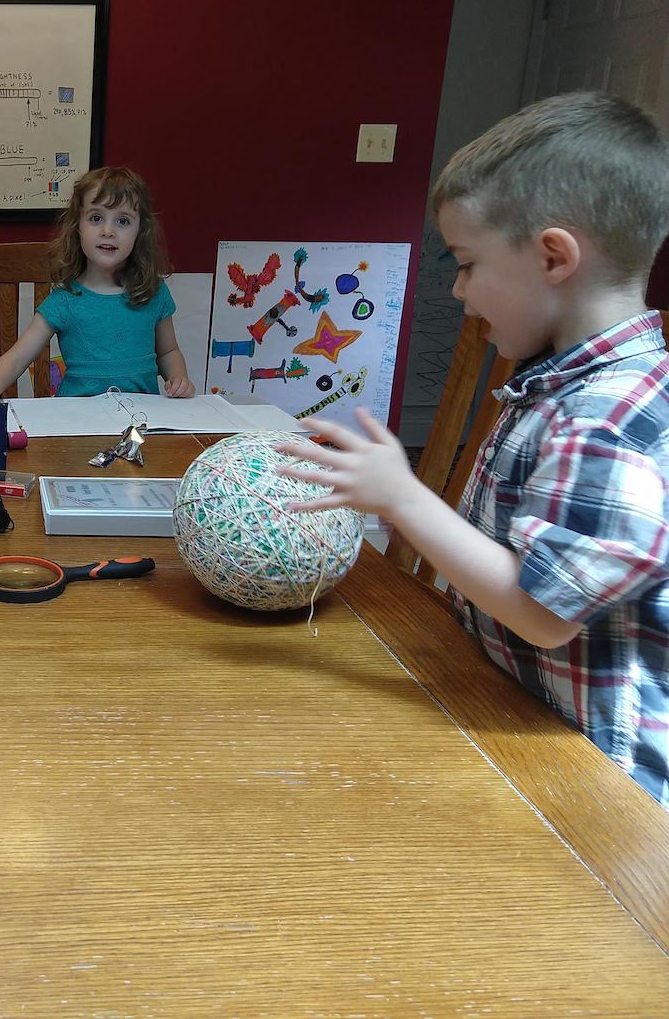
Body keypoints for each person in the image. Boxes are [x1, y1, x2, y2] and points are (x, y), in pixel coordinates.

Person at [275, 90, 669, 805]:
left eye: (465, 263)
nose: (458, 291)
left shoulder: (608, 415)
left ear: (553, 256)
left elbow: (545, 615)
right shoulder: (563, 382)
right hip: (510, 714)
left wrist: (402, 496)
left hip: (597, 790)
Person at [0, 166, 196, 408]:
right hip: (76, 423)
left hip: (140, 424)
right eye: (96, 218)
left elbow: (169, 353)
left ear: (141, 231)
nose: (108, 231)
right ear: (77, 227)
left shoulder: (153, 292)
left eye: (123, 221)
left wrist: (178, 378)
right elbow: (17, 357)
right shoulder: (63, 300)